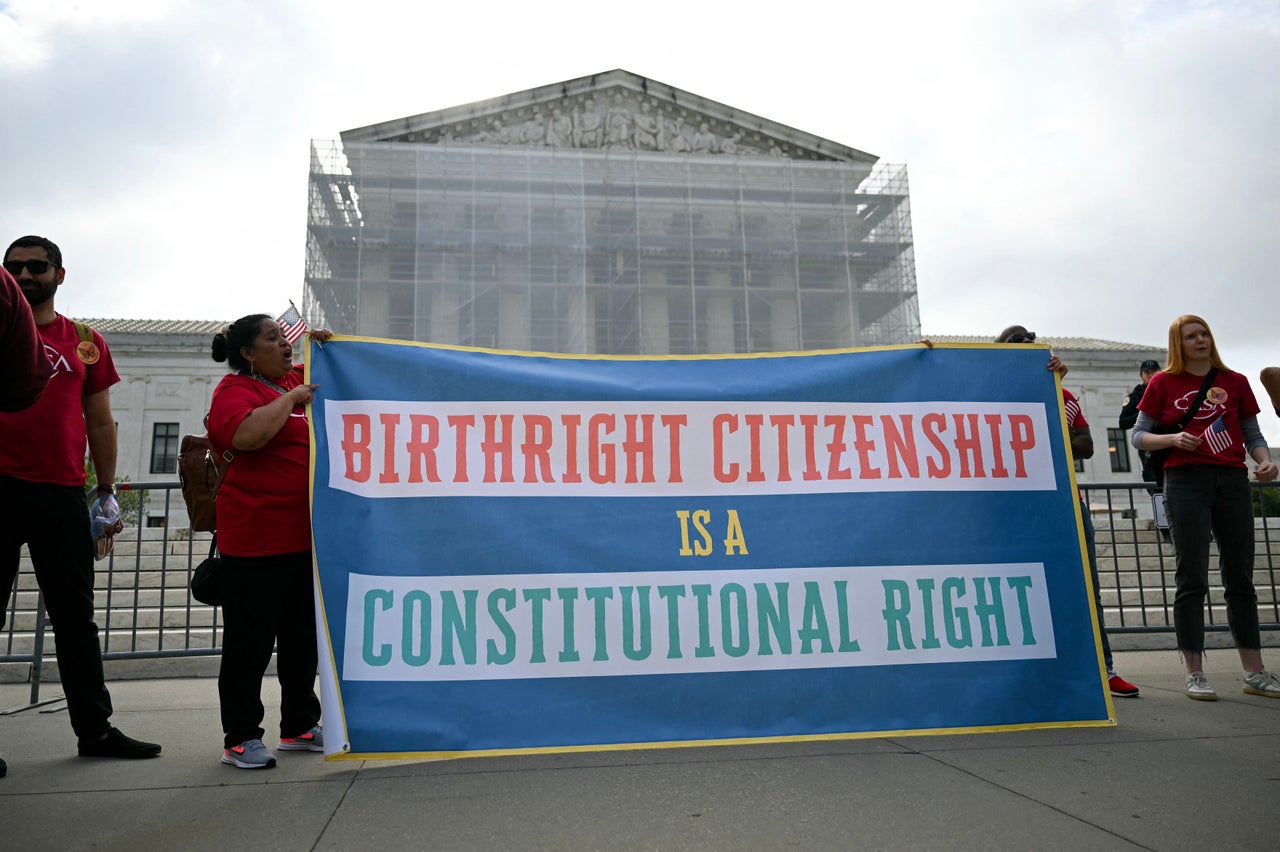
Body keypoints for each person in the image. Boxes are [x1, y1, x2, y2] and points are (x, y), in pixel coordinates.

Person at [0, 235, 161, 760]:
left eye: (36, 267)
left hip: (62, 491)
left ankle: (94, 730)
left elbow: (99, 419)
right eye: (14, 268)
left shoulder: (84, 340)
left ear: (59, 275)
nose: (24, 277)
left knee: (75, 620)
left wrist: (107, 493)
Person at [1131, 315, 1280, 700]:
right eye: (1191, 336)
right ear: (1178, 344)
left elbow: (1251, 433)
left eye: (1204, 334)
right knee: (1191, 575)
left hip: (1231, 479)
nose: (1200, 340)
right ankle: (1195, 672)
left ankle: (1255, 671)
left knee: (1240, 577)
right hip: (1185, 481)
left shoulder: (1235, 382)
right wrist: (1173, 439)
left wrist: (1263, 461)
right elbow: (1137, 435)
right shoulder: (1163, 383)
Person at [208, 313, 332, 768]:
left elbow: (333, 368)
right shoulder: (236, 392)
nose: (285, 345)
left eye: (286, 339)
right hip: (255, 542)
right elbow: (247, 435)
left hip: (305, 540)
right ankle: (240, 737)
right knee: (250, 646)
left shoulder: (292, 381)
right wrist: (295, 399)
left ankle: (299, 726)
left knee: (302, 641)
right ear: (247, 353)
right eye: (273, 339)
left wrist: (322, 345)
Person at [996, 326, 1140, 698]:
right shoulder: (992, 395)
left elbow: (1087, 446)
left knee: (1085, 586)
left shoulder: (1063, 396)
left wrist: (1048, 406)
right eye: (1020, 351)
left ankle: (1102, 669)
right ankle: (1021, 672)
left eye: (1036, 350)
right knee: (1016, 588)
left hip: (1064, 502)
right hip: (1010, 507)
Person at [1118, 359, 1161, 484]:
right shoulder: (1135, 397)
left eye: (1154, 371)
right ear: (1141, 376)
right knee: (1154, 482)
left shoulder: (1169, 390)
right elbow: (1123, 422)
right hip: (1149, 445)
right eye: (1147, 372)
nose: (1151, 375)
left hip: (1170, 441)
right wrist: (1145, 412)